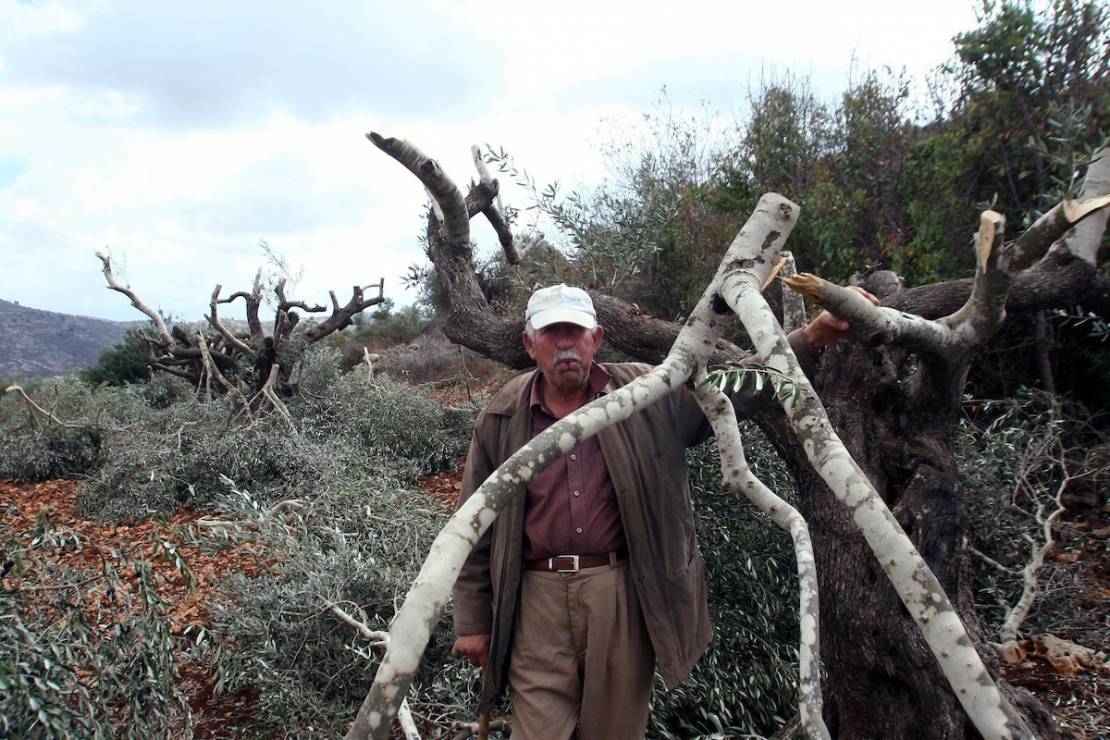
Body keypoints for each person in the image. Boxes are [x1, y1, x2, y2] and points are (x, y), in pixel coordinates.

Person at [452, 283, 868, 740]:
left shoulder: (647, 390)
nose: (566, 344)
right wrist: (473, 621)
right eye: (552, 333)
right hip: (535, 599)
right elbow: (473, 525)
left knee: (615, 731)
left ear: (597, 338)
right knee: (537, 732)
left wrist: (809, 339)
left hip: (622, 590)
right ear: (530, 344)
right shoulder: (502, 417)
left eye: (576, 331)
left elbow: (732, 387)